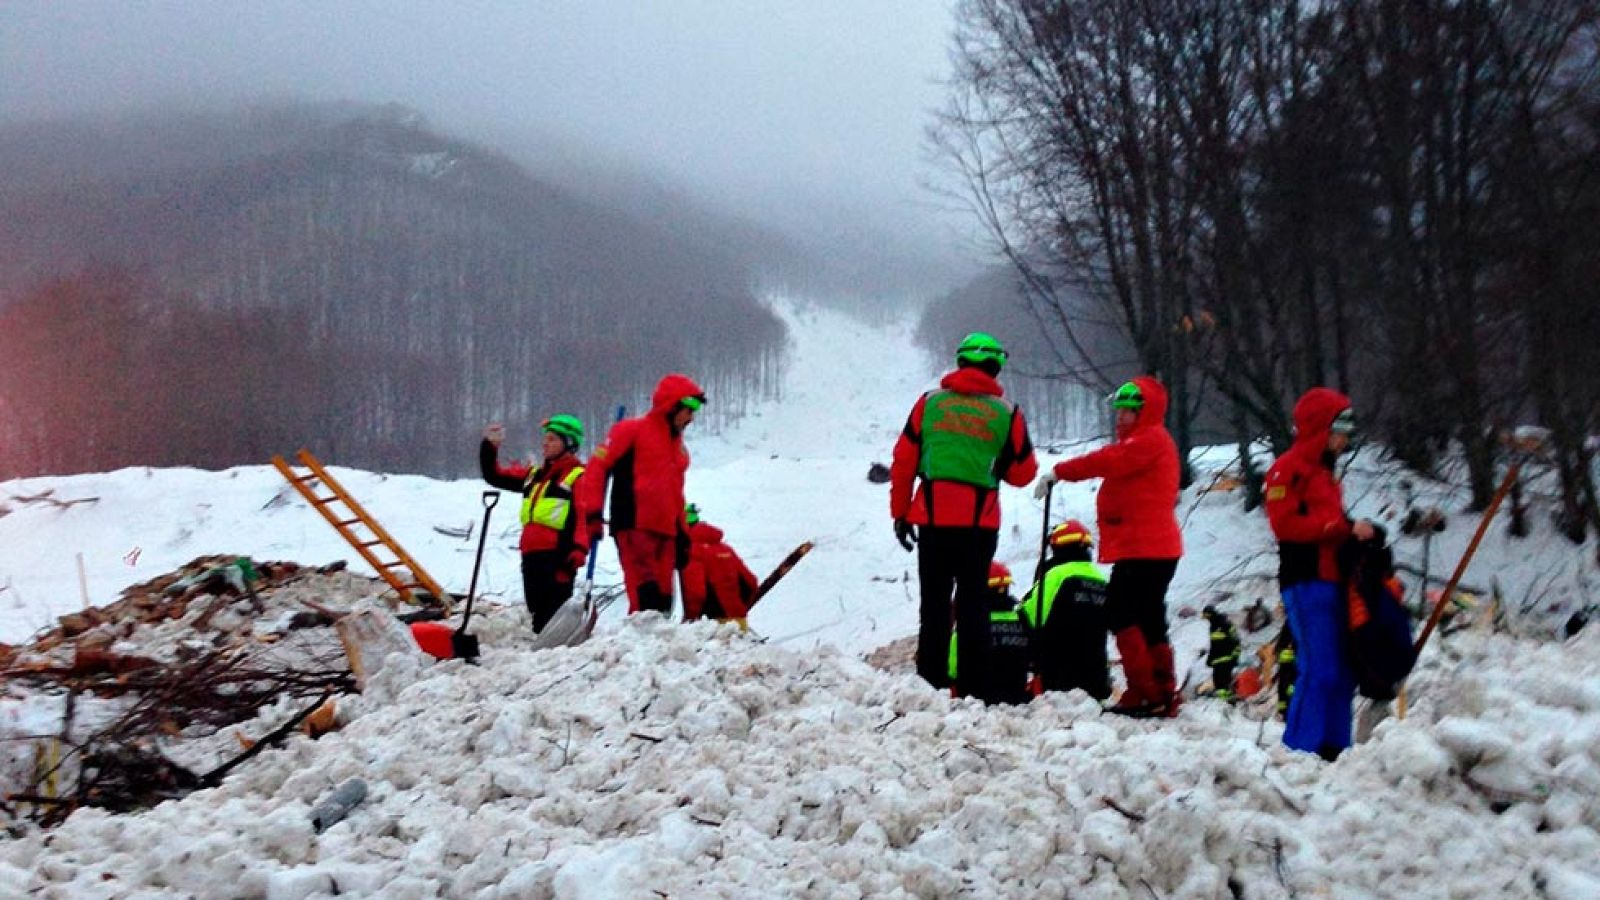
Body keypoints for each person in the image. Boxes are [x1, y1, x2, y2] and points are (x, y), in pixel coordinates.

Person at [890, 332, 1038, 703]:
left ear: (960, 363)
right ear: (995, 368)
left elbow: (904, 460)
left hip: (933, 521)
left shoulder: (929, 404)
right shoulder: (1008, 414)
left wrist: (900, 512)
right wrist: (995, 463)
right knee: (974, 606)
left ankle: (930, 684)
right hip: (979, 525)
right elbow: (1024, 473)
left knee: (935, 606)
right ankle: (976, 688)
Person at [1034, 377, 1183, 717]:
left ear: (1144, 413)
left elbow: (1108, 460)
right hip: (1151, 547)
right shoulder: (1149, 442)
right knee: (1149, 618)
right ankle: (1161, 690)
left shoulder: (1149, 441)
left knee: (1121, 613)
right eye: (1119, 411)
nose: (1120, 418)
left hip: (1146, 548)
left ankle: (1145, 691)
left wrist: (1059, 471)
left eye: (1128, 412)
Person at [1264, 387, 1374, 760]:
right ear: (1321, 429)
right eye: (1339, 429)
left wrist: (1361, 537)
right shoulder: (1288, 468)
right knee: (1319, 668)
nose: (1345, 440)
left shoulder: (1327, 476)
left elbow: (1331, 523)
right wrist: (1340, 529)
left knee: (1343, 673)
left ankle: (1336, 750)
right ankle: (1300, 751)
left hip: (1335, 581)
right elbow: (1285, 523)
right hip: (1305, 579)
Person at [581, 374, 705, 615]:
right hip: (634, 525)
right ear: (672, 405)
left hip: (666, 533)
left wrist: (682, 534)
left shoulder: (678, 449)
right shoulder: (631, 431)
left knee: (664, 603)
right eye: (689, 409)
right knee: (645, 599)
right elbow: (597, 468)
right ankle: (636, 648)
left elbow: (676, 494)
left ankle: (655, 651)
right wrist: (593, 512)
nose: (691, 417)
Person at [480, 416, 590, 632]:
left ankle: (556, 651)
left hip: (558, 554)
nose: (545, 443)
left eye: (552, 439)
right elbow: (494, 476)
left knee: (553, 610)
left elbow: (583, 516)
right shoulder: (534, 476)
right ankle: (543, 647)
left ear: (568, 443)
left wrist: (579, 548)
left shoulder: (576, 476)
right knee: (536, 607)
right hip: (531, 553)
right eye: (545, 438)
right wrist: (490, 446)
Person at [1018, 519, 1111, 700]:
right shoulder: (1100, 578)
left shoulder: (1057, 574)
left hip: (1059, 679)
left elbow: (1029, 615)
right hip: (1095, 679)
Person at [948, 562, 1033, 705]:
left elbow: (952, 668)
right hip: (1018, 698)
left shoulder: (970, 625)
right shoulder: (1023, 620)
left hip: (978, 703)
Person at [680, 503, 759, 624]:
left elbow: (696, 593)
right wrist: (738, 608)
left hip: (711, 624)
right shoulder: (725, 548)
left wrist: (690, 619)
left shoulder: (692, 551)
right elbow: (751, 582)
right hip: (739, 620)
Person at [1203, 605, 1241, 700]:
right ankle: (1224, 702)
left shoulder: (1226, 625)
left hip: (1227, 660)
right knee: (1219, 684)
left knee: (1223, 684)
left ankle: (1227, 703)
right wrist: (1210, 659)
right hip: (1218, 661)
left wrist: (1235, 657)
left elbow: (1236, 641)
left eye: (1207, 617)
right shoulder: (1213, 627)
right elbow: (1214, 645)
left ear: (1210, 615)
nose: (1207, 620)